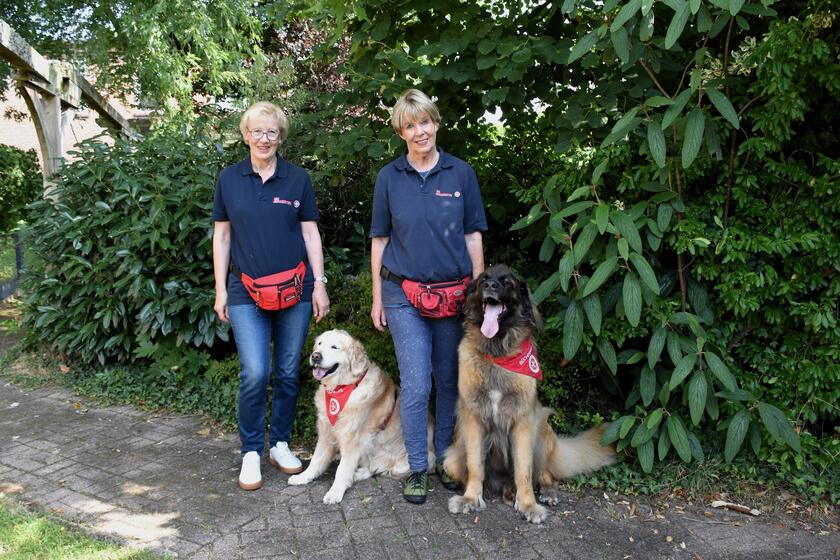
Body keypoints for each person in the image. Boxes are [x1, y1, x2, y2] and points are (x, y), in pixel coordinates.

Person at [370, 89, 487, 504]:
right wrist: (376, 297)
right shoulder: (389, 178)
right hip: (402, 293)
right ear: (400, 132)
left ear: (436, 124)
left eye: (425, 122)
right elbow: (380, 239)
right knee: (416, 385)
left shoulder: (461, 174)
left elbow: (473, 235)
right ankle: (418, 467)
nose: (419, 131)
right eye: (409, 125)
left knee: (449, 382)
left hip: (455, 295)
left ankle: (446, 460)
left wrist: (478, 295)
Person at [212, 101, 330, 491]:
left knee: (284, 372)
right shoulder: (228, 179)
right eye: (257, 131)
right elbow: (223, 236)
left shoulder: (298, 180)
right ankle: (250, 451)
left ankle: (279, 443)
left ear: (281, 137)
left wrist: (320, 283)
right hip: (244, 291)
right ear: (245, 134)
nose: (264, 138)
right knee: (256, 372)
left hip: (295, 291)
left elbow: (311, 234)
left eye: (272, 132)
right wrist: (219, 290)